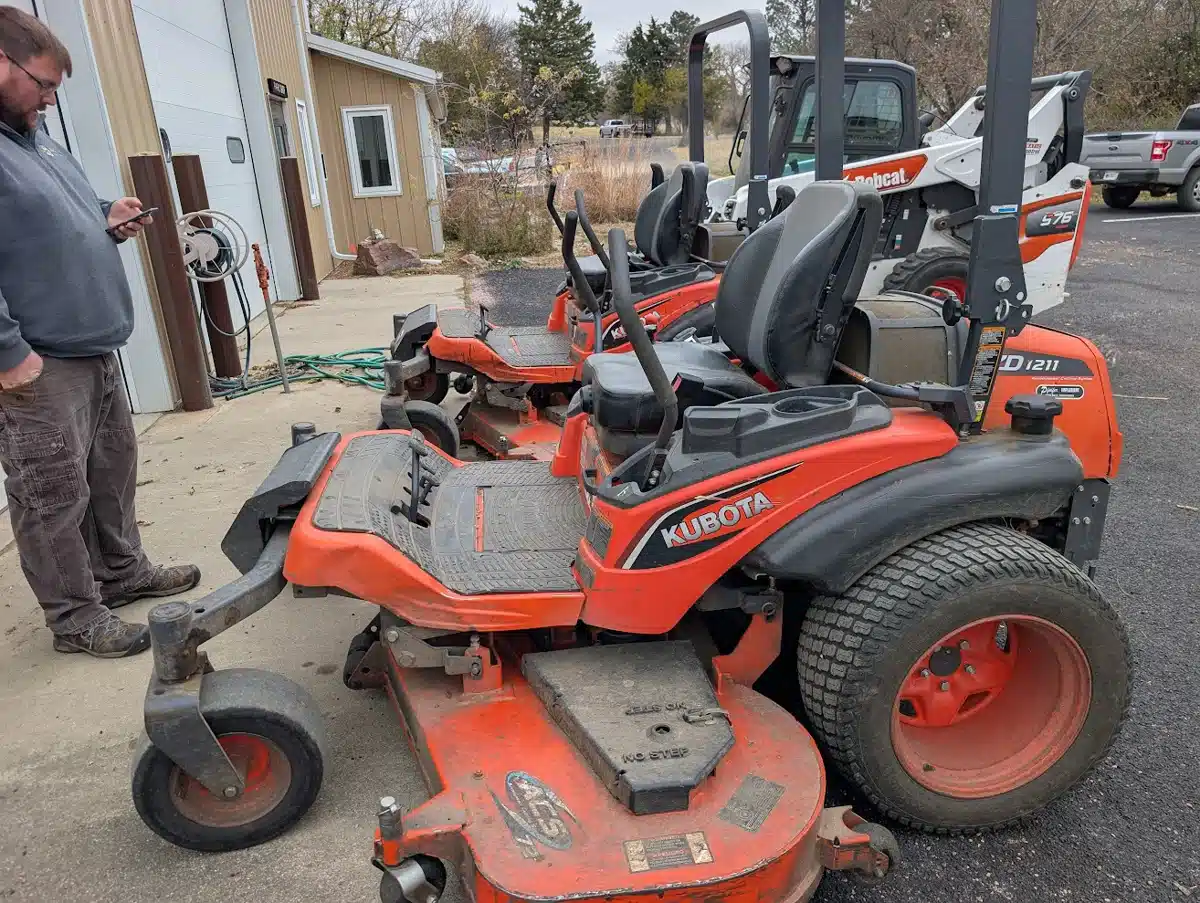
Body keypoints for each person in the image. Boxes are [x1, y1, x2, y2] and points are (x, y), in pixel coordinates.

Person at [0, 6, 200, 659]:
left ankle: (120, 572)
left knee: (111, 471)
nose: (52, 101)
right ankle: (76, 615)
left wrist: (103, 216)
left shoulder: (38, 142)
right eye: (44, 84)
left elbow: (52, 220)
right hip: (39, 361)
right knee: (50, 492)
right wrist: (8, 350)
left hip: (94, 348)